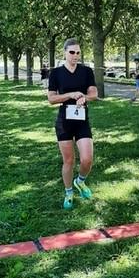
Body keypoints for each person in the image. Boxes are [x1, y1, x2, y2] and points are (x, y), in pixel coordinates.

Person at [48, 38, 98, 210]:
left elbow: (94, 93)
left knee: (87, 159)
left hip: (82, 120)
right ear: (64, 53)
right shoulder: (56, 73)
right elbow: (51, 98)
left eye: (78, 53)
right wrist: (70, 95)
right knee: (69, 160)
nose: (75, 55)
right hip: (64, 122)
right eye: (72, 52)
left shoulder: (86, 71)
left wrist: (85, 97)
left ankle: (80, 181)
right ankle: (68, 192)